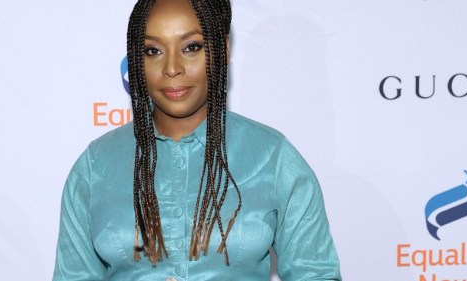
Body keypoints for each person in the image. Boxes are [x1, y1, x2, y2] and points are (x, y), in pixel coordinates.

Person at [52, 0, 341, 280]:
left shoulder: (273, 157)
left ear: (223, 49)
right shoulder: (95, 165)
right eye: (153, 50)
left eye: (192, 47)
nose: (172, 68)